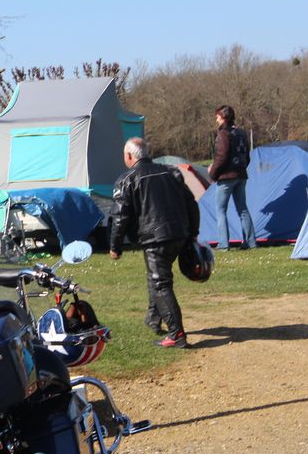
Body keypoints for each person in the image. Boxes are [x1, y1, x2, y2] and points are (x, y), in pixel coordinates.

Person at [109, 138, 200, 349]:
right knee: (156, 277)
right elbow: (191, 203)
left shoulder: (127, 179)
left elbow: (120, 216)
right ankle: (153, 319)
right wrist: (193, 232)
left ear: (129, 156)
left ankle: (177, 335)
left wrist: (115, 246)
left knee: (161, 284)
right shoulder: (171, 172)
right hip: (179, 234)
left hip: (156, 238)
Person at [208, 105, 256, 251]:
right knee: (243, 210)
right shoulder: (241, 133)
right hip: (241, 175)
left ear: (223, 117)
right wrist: (241, 169)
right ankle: (251, 242)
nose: (216, 119)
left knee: (221, 210)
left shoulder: (223, 134)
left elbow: (221, 157)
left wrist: (213, 173)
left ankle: (223, 244)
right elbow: (247, 156)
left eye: (217, 116)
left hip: (227, 177)